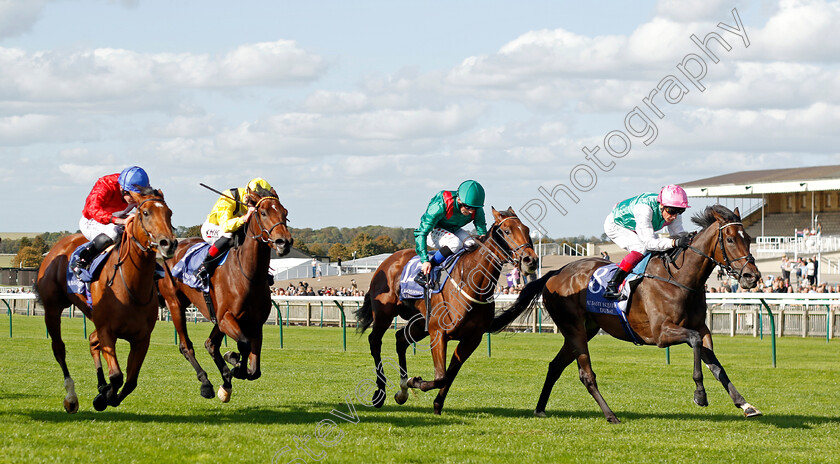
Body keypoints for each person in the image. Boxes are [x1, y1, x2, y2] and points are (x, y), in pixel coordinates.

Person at [602, 184, 690, 299]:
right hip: (617, 225)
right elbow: (649, 243)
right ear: (662, 205)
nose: (674, 216)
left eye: (680, 211)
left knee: (658, 248)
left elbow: (678, 234)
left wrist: (688, 238)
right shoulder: (644, 209)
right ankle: (612, 285)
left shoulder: (673, 211)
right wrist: (674, 243)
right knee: (641, 249)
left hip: (637, 227)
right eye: (672, 211)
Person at [72, 166, 151, 278]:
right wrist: (122, 221)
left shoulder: (141, 189)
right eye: (133, 196)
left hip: (119, 219)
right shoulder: (105, 184)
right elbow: (94, 210)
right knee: (114, 232)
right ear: (124, 190)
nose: (136, 200)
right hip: (92, 221)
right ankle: (81, 261)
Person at [195, 177, 275, 283]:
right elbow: (226, 226)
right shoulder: (228, 197)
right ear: (248, 194)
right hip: (214, 228)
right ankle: (203, 267)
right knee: (229, 235)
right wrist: (245, 218)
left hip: (236, 228)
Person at [413, 180, 488, 289]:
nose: (471, 211)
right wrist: (424, 261)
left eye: (474, 208)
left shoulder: (476, 207)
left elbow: (482, 232)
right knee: (454, 243)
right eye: (468, 207)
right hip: (432, 230)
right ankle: (424, 273)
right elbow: (421, 233)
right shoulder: (441, 204)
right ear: (458, 200)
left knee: (471, 244)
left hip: (453, 230)